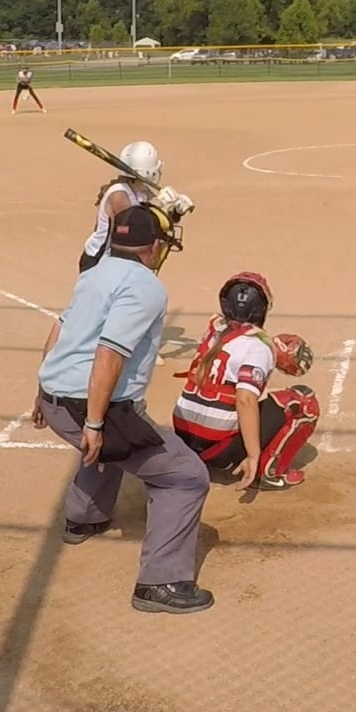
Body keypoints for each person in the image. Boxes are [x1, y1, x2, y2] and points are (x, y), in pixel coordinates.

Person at [30, 203, 214, 614]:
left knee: (116, 443)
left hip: (55, 398)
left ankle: (84, 518)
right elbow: (109, 354)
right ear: (154, 247)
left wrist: (42, 389)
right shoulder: (146, 286)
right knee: (185, 477)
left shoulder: (94, 273)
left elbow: (60, 328)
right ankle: (161, 582)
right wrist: (95, 423)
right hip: (85, 405)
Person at [172, 273, 319, 491]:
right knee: (303, 400)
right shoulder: (258, 347)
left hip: (184, 439)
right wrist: (252, 456)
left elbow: (237, 342)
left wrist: (271, 348)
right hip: (218, 450)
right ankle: (268, 474)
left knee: (229, 390)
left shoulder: (214, 329)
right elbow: (245, 400)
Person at [77, 141, 196, 273]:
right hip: (98, 261)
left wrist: (175, 211)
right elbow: (136, 226)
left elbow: (156, 223)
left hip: (120, 258)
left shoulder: (141, 191)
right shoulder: (118, 194)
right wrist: (160, 203)